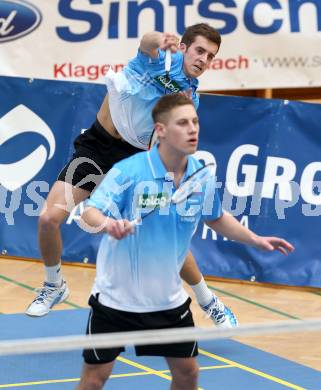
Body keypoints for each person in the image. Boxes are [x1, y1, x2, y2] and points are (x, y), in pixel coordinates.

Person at [76, 94, 294, 390]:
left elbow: (215, 217)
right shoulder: (130, 171)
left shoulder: (199, 177)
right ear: (161, 130)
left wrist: (254, 239)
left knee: (188, 374)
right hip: (117, 299)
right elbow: (89, 210)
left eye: (195, 122)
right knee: (94, 381)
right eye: (182, 123)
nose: (193, 129)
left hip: (167, 300)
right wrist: (108, 224)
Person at [26, 24, 236, 328]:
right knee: (48, 218)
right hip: (97, 149)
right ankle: (53, 285)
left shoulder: (190, 97)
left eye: (211, 56)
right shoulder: (158, 61)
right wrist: (159, 40)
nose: (204, 59)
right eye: (200, 50)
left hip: (134, 160)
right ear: (184, 47)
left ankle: (209, 302)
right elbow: (146, 43)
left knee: (166, 239)